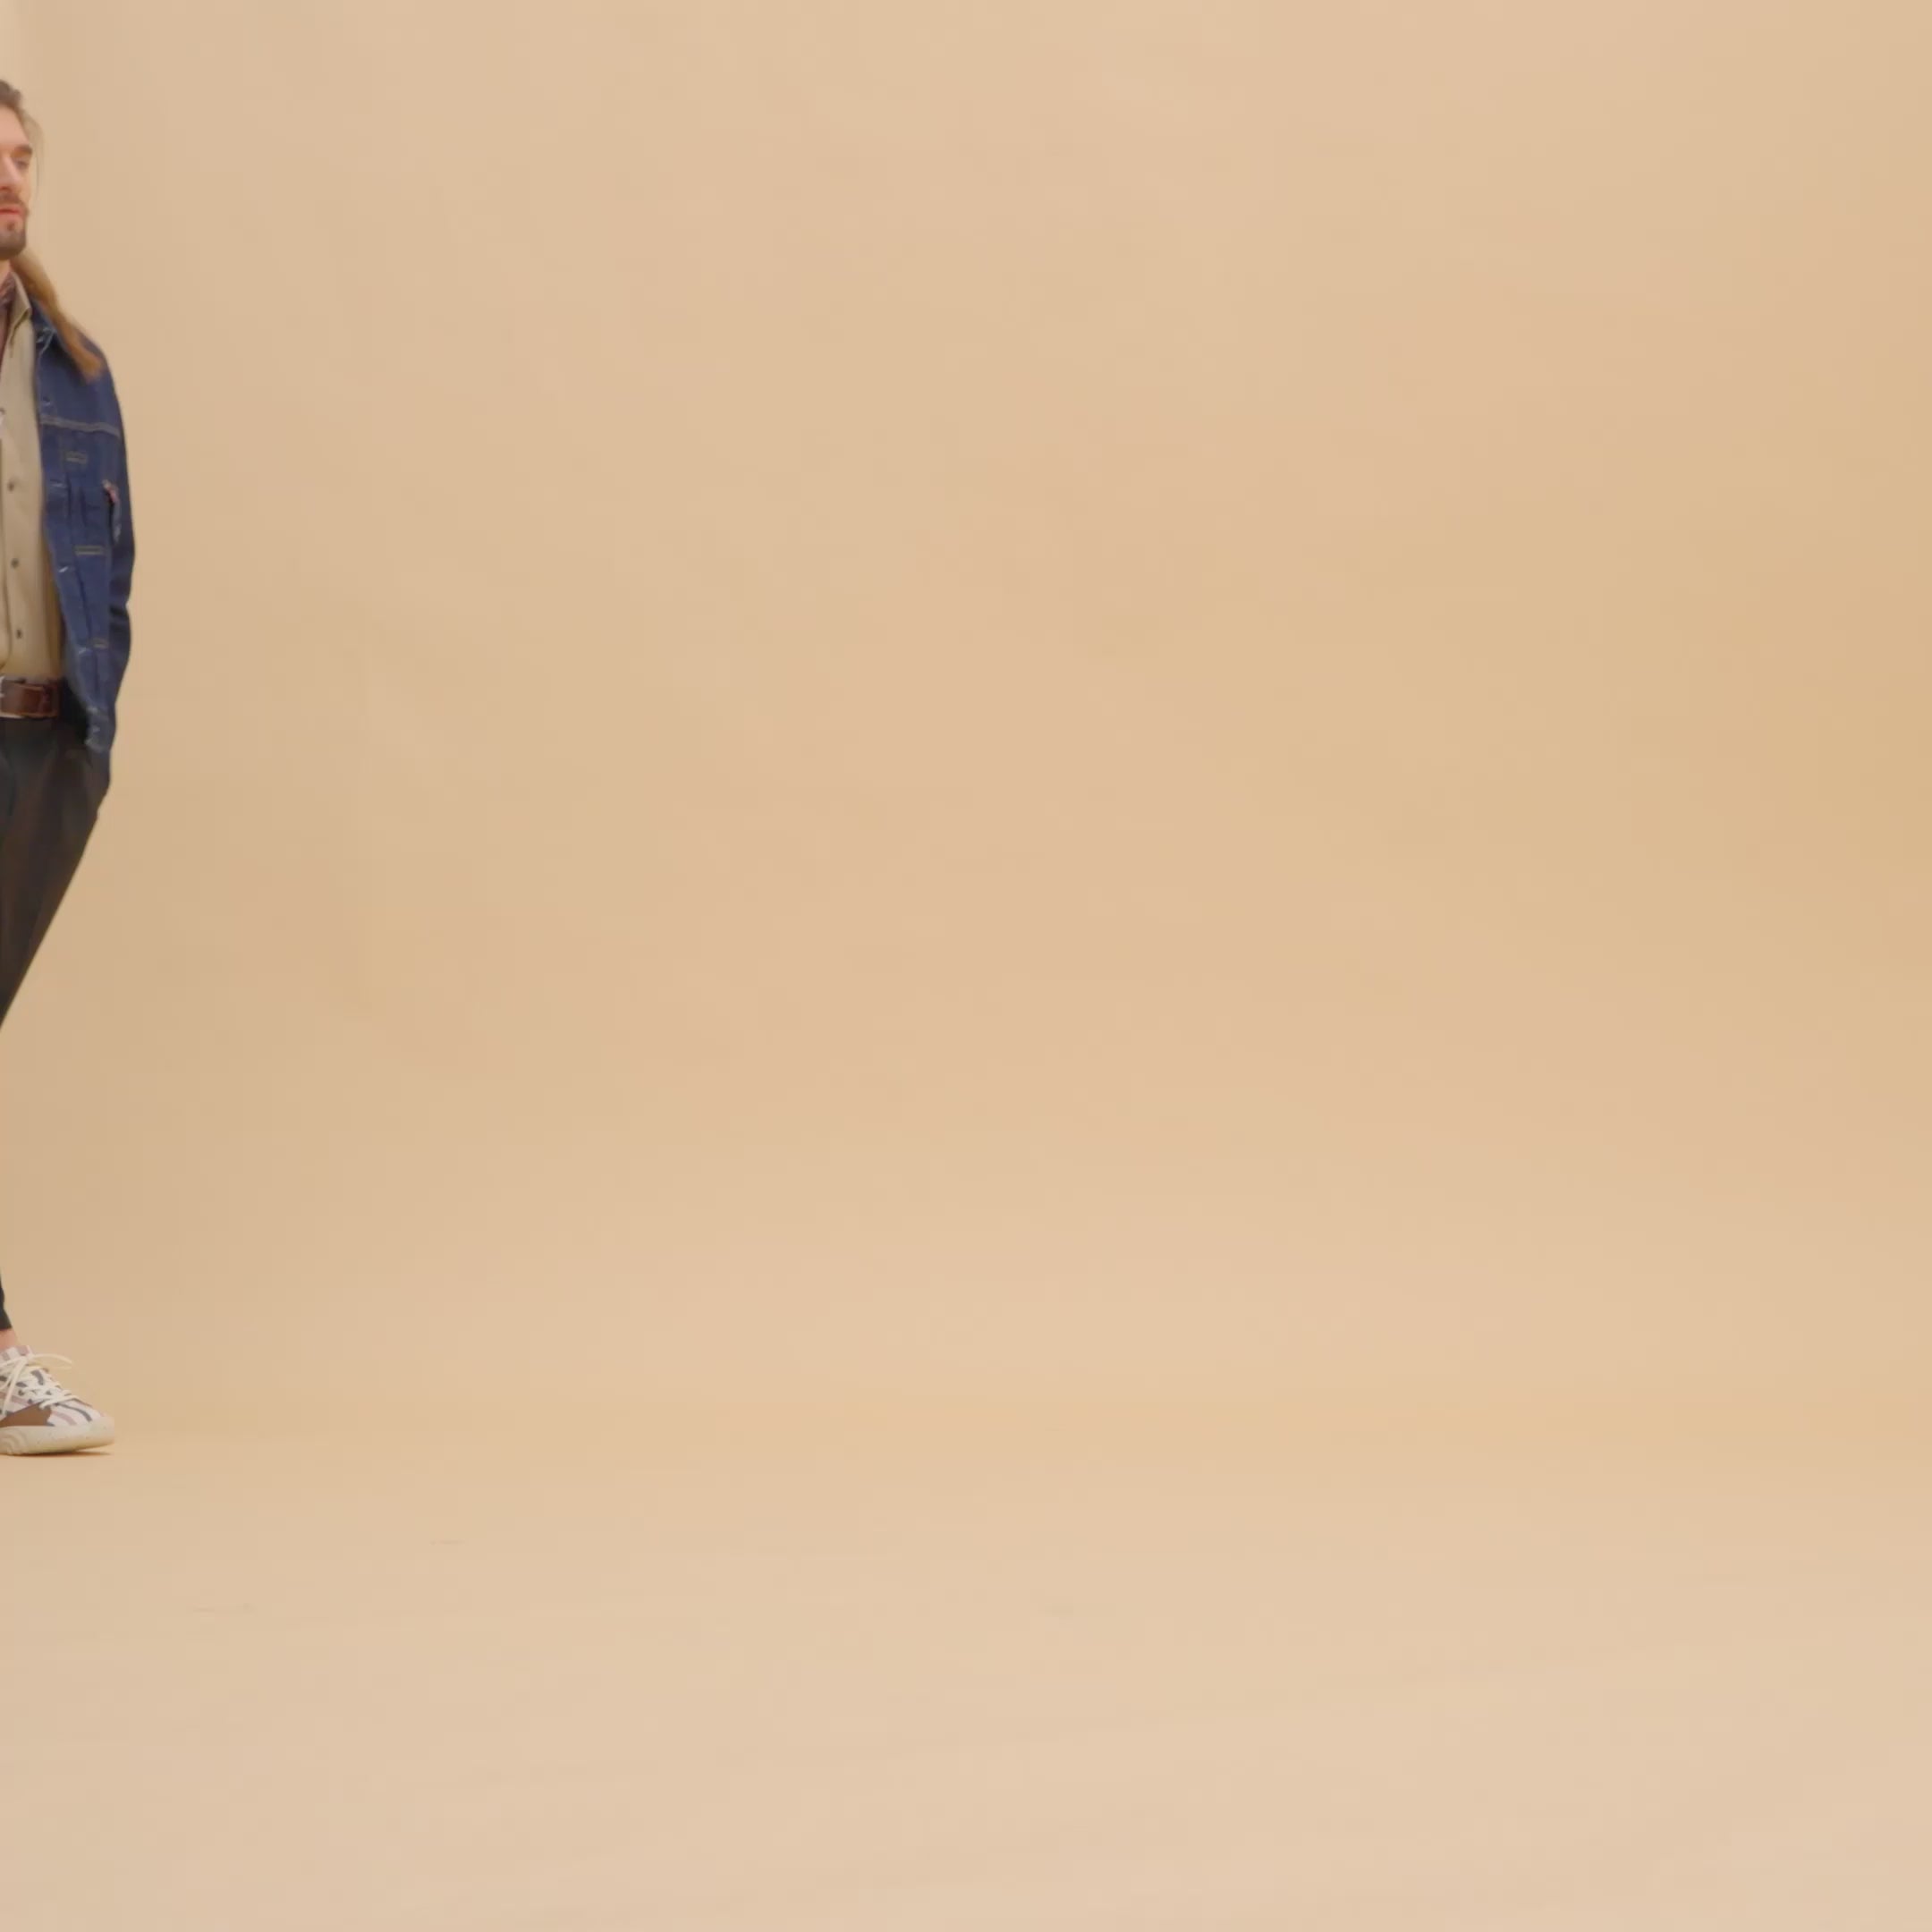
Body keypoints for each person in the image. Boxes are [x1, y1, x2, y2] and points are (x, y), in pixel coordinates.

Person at [0, 80, 134, 1455]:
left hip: (44, 746)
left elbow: (114, 561)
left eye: (21, 157)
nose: (11, 180)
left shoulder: (73, 366)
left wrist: (91, 735)